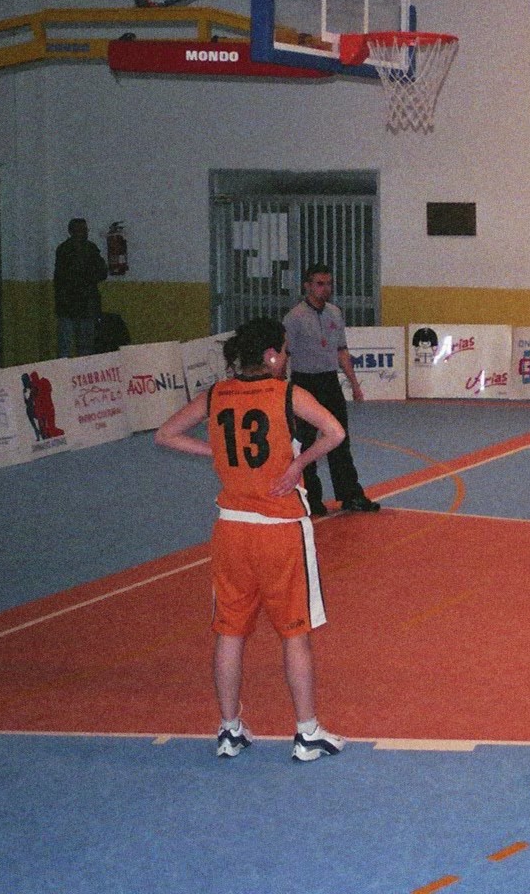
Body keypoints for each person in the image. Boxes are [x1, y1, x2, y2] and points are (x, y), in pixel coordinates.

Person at [153, 317, 349, 762]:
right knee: (294, 634)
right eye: (285, 351)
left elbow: (166, 435)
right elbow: (335, 433)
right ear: (272, 355)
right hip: (280, 530)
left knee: (230, 632)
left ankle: (229, 729)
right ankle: (306, 732)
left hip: (231, 529)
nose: (287, 358)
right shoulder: (287, 394)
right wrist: (298, 465)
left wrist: (215, 452)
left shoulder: (216, 395)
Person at [283, 263, 377, 516]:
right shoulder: (294, 318)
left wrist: (354, 384)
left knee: (339, 438)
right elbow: (284, 355)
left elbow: (341, 351)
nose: (325, 289)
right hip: (304, 384)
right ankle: (310, 498)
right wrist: (278, 390)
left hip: (329, 383)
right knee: (305, 443)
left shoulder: (335, 313)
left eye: (329, 284)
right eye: (320, 284)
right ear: (307, 286)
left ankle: (351, 495)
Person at [53, 217, 108, 358]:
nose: (84, 233)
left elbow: (102, 272)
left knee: (85, 348)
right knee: (67, 347)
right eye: (80, 230)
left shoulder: (91, 249)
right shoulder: (65, 250)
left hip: (85, 305)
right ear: (71, 231)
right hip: (69, 305)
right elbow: (64, 277)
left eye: (85, 230)